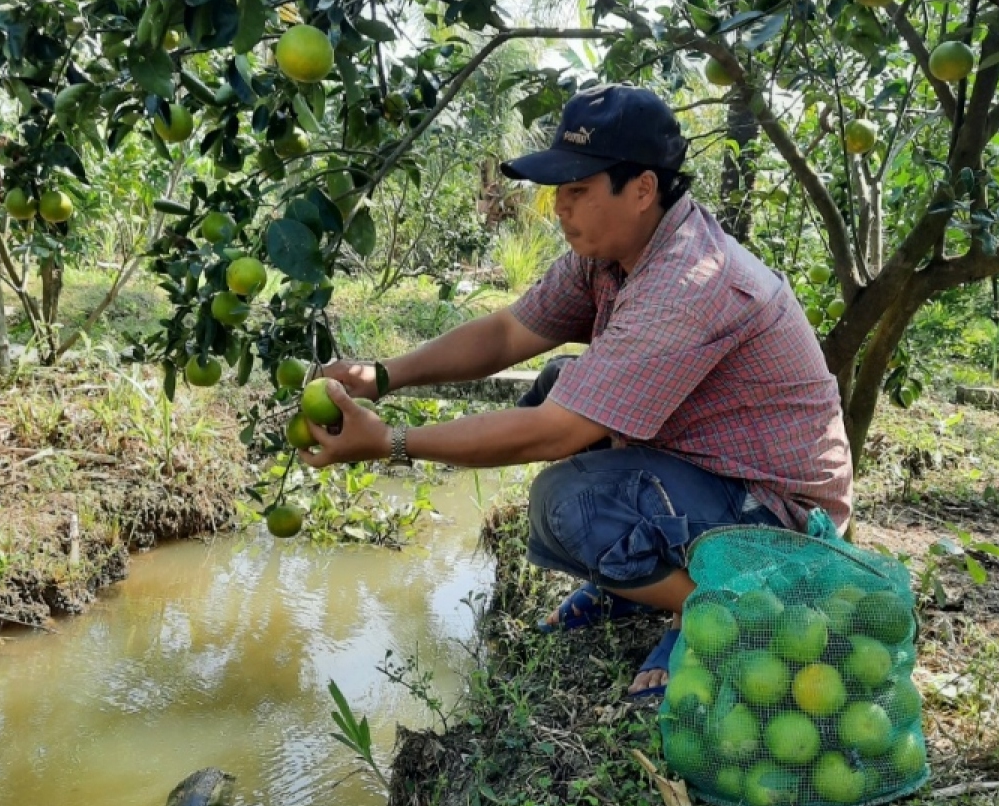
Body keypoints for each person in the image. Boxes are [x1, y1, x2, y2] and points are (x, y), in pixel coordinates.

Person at [305, 84, 853, 698]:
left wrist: (391, 443)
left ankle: (719, 608)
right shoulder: (612, 251)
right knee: (555, 382)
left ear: (642, 189)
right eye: (558, 190)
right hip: (709, 467)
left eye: (577, 190)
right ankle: (637, 582)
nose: (559, 207)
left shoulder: (690, 280)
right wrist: (385, 376)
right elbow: (509, 331)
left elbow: (556, 433)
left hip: (776, 517)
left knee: (567, 504)